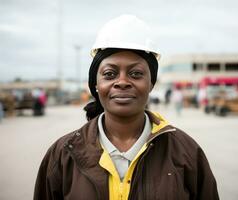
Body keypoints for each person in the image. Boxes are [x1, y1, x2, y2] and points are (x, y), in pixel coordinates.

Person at [34, 15, 219, 200]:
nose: (122, 82)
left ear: (151, 84)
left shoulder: (186, 153)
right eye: (109, 74)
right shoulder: (63, 155)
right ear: (96, 84)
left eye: (136, 74)